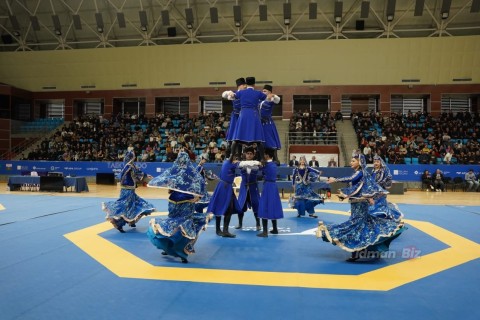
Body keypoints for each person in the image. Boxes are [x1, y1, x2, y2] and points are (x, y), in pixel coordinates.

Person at [317, 152, 406, 262]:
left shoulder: (360, 172)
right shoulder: (363, 173)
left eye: (353, 161)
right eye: (351, 161)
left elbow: (349, 178)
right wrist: (369, 197)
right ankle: (369, 250)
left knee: (356, 225)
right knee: (360, 225)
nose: (351, 162)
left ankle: (355, 252)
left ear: (360, 162)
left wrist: (335, 180)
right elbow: (364, 186)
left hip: (359, 203)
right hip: (357, 202)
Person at [146, 151, 211, 264]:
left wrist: (153, 180)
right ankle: (182, 253)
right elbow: (200, 182)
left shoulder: (174, 170)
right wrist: (198, 197)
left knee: (172, 224)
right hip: (186, 201)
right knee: (185, 226)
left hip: (173, 201)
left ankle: (168, 248)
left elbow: (164, 178)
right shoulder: (191, 172)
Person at [102, 150, 155, 233]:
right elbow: (138, 173)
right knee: (126, 206)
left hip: (128, 189)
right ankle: (119, 224)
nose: (134, 158)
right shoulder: (129, 166)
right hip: (128, 190)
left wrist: (145, 175)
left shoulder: (128, 166)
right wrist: (146, 176)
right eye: (133, 157)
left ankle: (131, 221)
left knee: (134, 204)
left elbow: (137, 173)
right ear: (131, 158)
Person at [223, 76, 268, 162]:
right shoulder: (258, 93)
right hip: (254, 115)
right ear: (254, 84)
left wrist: (230, 93)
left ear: (246, 84)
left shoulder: (241, 93)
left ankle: (231, 157)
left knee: (236, 138)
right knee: (258, 139)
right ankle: (262, 158)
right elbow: (265, 98)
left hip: (243, 114)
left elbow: (232, 96)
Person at [207, 157, 243, 238]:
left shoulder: (226, 163)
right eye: (236, 158)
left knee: (225, 208)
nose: (237, 160)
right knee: (223, 209)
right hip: (224, 188)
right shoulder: (229, 163)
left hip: (225, 187)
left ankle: (222, 230)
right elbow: (241, 164)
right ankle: (221, 230)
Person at [257, 149, 284, 237]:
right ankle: (275, 229)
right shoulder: (274, 164)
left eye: (264, 155)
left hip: (268, 186)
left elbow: (258, 169)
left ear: (267, 155)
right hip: (273, 187)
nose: (263, 156)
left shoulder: (266, 165)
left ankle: (265, 232)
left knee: (264, 206)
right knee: (273, 206)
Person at [236, 146, 261, 231]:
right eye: (248, 154)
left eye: (251, 154)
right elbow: (238, 165)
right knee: (240, 205)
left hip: (253, 188)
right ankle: (240, 223)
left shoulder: (257, 164)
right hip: (243, 188)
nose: (249, 155)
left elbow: (258, 165)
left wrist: (254, 162)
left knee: (256, 205)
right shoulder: (241, 163)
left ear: (253, 155)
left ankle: (258, 224)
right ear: (245, 154)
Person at [224, 77, 247, 159]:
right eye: (244, 85)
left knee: (240, 137)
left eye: (246, 85)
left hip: (243, 116)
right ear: (239, 86)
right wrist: (228, 92)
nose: (245, 86)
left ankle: (240, 156)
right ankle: (228, 154)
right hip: (235, 116)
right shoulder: (234, 93)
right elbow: (224, 95)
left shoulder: (245, 94)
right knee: (232, 135)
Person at [259, 84, 282, 163]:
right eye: (263, 91)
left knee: (271, 140)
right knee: (261, 141)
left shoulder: (271, 99)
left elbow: (278, 100)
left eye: (265, 91)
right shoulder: (259, 100)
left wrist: (273, 95)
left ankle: (275, 158)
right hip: (259, 123)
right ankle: (262, 158)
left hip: (267, 123)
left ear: (269, 92)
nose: (263, 92)